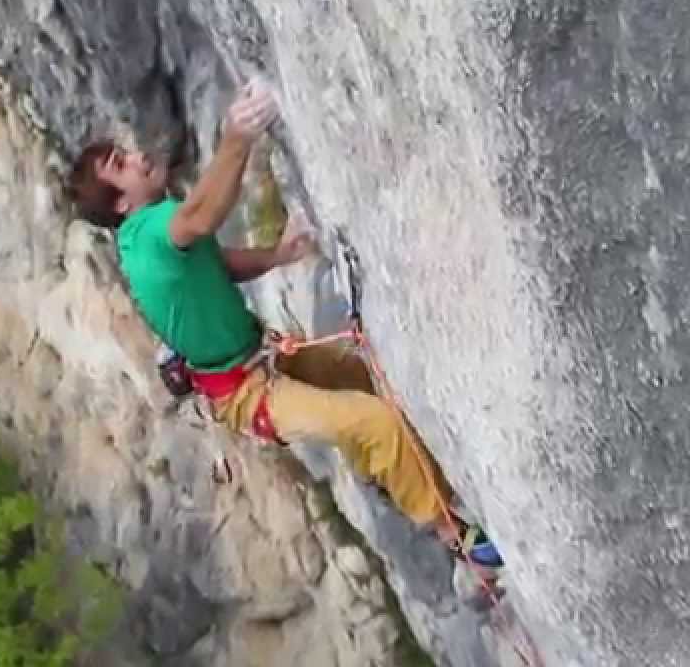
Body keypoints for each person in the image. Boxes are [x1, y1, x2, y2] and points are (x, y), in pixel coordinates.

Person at [66, 79, 502, 570]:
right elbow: (202, 216)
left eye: (125, 153)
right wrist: (238, 137)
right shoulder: (147, 233)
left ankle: (384, 474)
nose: (138, 157)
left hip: (261, 358)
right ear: (120, 204)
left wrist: (277, 255)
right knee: (374, 421)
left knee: (358, 375)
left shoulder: (150, 239)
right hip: (247, 393)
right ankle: (455, 535)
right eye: (121, 164)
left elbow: (216, 263)